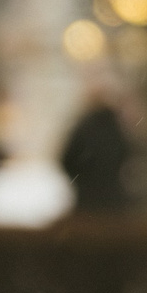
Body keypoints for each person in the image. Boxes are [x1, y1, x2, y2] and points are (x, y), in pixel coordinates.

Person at [59, 80, 136, 214]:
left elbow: (67, 160)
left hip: (87, 199)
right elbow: (128, 159)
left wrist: (81, 179)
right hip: (113, 201)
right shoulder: (117, 129)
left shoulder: (84, 127)